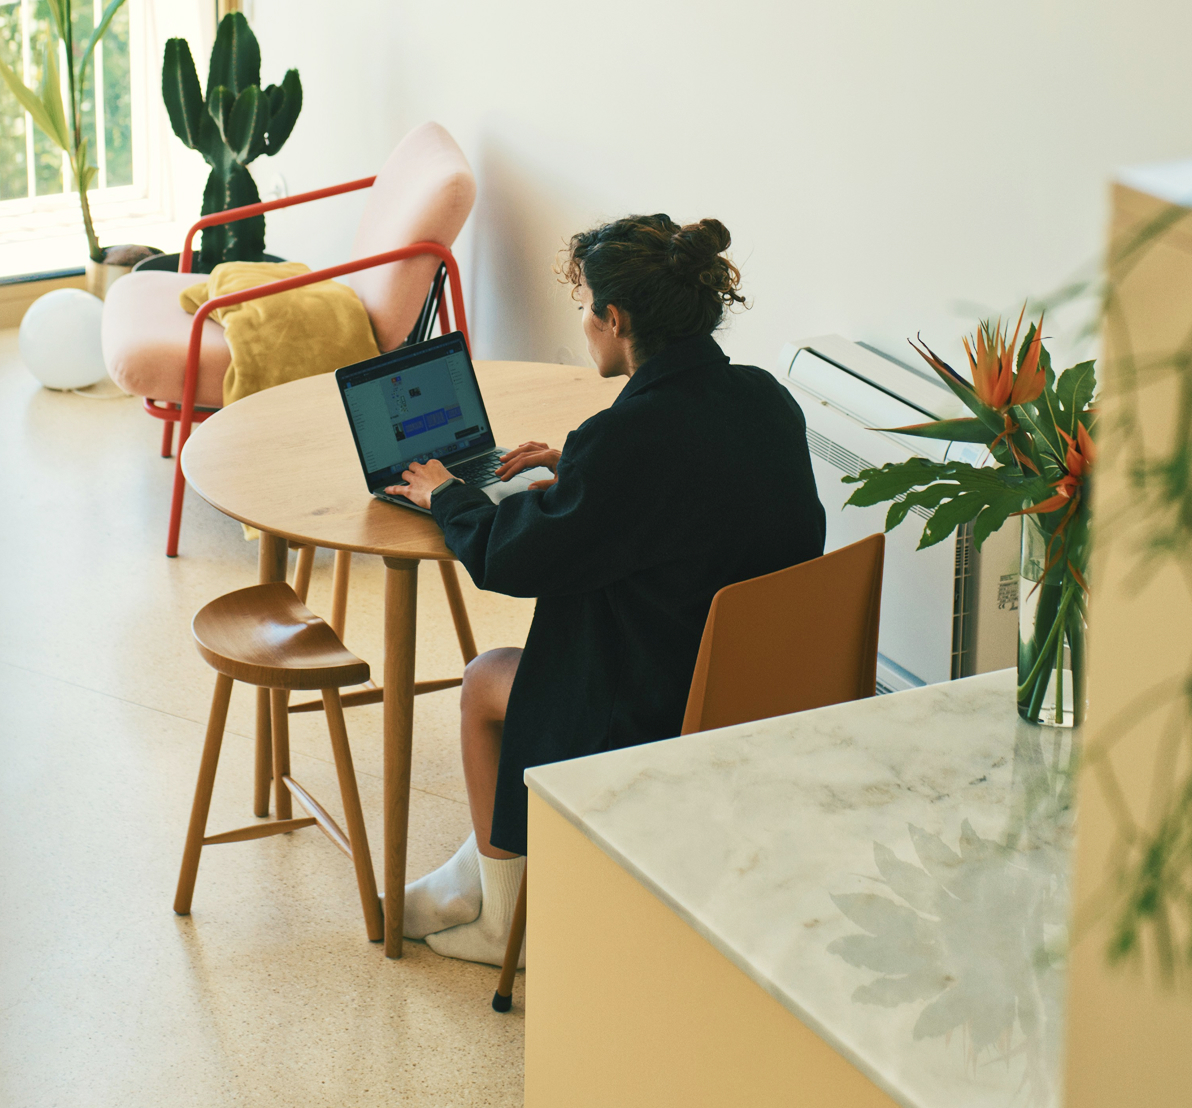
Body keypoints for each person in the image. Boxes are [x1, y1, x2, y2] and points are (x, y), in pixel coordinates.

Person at [384, 213, 826, 965]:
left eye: (588, 307)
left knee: (485, 680)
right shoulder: (764, 397)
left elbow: (510, 559)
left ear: (615, 319)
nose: (585, 323)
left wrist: (448, 495)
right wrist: (578, 470)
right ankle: (472, 876)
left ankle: (502, 920)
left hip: (657, 706)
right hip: (756, 684)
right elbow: (697, 486)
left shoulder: (625, 441)